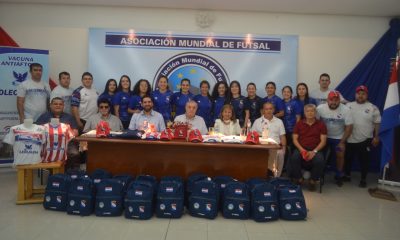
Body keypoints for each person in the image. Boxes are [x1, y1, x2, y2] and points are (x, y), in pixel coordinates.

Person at [345, 86, 381, 188]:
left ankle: (363, 179)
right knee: (348, 159)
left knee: (364, 161)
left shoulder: (373, 107)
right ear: (355, 94)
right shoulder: (348, 105)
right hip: (349, 138)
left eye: (363, 94)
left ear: (367, 95)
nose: (360, 95)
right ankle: (347, 176)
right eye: (358, 93)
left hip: (365, 139)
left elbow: (377, 123)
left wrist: (376, 137)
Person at [317, 90, 353, 186]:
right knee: (319, 156)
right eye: (331, 100)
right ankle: (319, 174)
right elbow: (315, 123)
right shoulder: (320, 108)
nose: (333, 102)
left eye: (336, 100)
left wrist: (342, 142)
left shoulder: (346, 110)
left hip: (338, 138)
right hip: (323, 137)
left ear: (339, 100)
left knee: (340, 154)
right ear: (327, 100)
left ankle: (338, 175)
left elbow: (349, 128)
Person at [288, 104, 327, 191]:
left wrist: (314, 151)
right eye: (307, 111)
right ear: (304, 113)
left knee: (320, 161)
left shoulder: (321, 125)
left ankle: (313, 181)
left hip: (316, 149)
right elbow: (294, 139)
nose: (310, 113)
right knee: (294, 158)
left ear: (315, 112)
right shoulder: (299, 124)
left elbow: (323, 141)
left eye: (312, 111)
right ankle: (299, 179)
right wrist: (302, 150)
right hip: (301, 148)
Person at [252, 102, 286, 177]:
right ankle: (262, 176)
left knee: (280, 153)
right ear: (263, 111)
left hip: (275, 147)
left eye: (270, 109)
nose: (268, 111)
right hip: (261, 148)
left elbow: (282, 136)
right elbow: (252, 136)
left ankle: (275, 178)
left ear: (273, 110)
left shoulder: (279, 122)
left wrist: (284, 148)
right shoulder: (257, 121)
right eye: (266, 109)